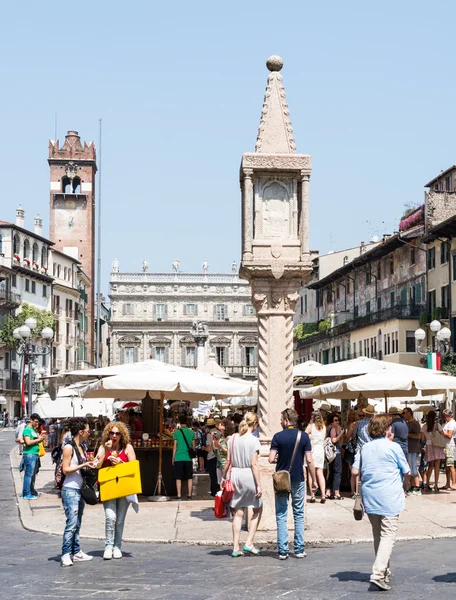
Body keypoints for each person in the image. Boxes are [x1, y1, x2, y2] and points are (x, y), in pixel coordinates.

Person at [352, 414, 410, 591]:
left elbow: (354, 472)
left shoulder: (364, 448)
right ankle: (378, 574)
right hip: (389, 496)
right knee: (388, 535)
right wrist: (406, 484)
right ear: (386, 429)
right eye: (390, 427)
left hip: (370, 497)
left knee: (378, 535)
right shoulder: (393, 447)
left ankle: (385, 572)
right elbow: (407, 471)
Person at [270, 408, 316, 560]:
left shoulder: (277, 437)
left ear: (286, 420)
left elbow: (271, 459)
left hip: (282, 478)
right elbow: (309, 460)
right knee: (298, 513)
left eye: (281, 419)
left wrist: (279, 458)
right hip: (298, 478)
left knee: (281, 514)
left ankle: (283, 551)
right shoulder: (303, 437)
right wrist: (314, 479)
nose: (280, 422)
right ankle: (299, 549)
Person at [222, 412, 262, 557]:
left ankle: (235, 547)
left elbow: (227, 461)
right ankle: (249, 542)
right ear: (255, 424)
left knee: (238, 512)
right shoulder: (254, 440)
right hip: (249, 476)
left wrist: (223, 478)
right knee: (257, 508)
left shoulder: (232, 438)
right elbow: (254, 464)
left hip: (235, 476)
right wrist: (259, 484)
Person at [95, 421, 136, 560]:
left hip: (124, 487)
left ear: (122, 435)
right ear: (107, 433)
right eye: (111, 433)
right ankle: (108, 545)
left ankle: (117, 546)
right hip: (108, 486)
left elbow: (133, 467)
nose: (114, 436)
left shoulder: (127, 447)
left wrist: (121, 463)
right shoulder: (103, 447)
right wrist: (106, 451)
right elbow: (97, 465)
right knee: (110, 517)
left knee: (119, 519)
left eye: (117, 433)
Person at [60, 417, 96, 567]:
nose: (89, 433)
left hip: (80, 489)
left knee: (78, 523)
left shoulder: (82, 446)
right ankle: (65, 554)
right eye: (88, 430)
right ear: (81, 432)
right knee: (71, 523)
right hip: (70, 490)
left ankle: (76, 552)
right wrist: (82, 466)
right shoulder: (69, 448)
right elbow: (65, 469)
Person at [21, 413, 46, 500]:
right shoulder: (27, 430)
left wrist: (40, 438)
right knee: (29, 474)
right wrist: (39, 439)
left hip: (35, 454)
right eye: (35, 422)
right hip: (30, 454)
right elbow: (28, 442)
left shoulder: (33, 430)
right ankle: (26, 493)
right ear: (31, 420)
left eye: (38, 422)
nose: (37, 424)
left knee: (33, 474)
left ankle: (31, 490)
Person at [421, 410, 446, 492]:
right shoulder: (437, 425)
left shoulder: (424, 426)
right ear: (435, 417)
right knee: (437, 466)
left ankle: (427, 483)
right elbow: (443, 434)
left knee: (430, 465)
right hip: (437, 446)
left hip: (429, 446)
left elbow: (422, 438)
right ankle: (436, 485)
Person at [172, 415, 195, 500]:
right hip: (188, 458)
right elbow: (193, 446)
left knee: (178, 477)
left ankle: (179, 495)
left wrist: (173, 457)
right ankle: (189, 495)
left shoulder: (176, 432)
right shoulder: (191, 432)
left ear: (180, 422)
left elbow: (175, 446)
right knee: (189, 477)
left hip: (178, 457)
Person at [305, 411, 326, 503]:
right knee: (320, 473)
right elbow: (324, 438)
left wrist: (310, 436)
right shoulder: (324, 427)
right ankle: (323, 495)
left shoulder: (311, 426)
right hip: (320, 451)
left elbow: (304, 436)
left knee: (310, 473)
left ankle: (313, 495)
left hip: (312, 450)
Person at [402, 407, 423, 495]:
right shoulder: (407, 423)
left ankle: (417, 487)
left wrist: (407, 435)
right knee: (410, 468)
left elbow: (418, 436)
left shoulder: (415, 424)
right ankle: (412, 486)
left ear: (409, 413)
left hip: (413, 449)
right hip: (409, 449)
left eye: (404, 413)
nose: (403, 415)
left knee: (413, 469)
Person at [326, 412, 344, 500]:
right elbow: (333, 440)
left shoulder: (329, 429)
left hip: (331, 454)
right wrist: (341, 433)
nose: (337, 422)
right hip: (335, 453)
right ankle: (336, 492)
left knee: (332, 473)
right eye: (335, 420)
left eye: (338, 420)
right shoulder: (333, 429)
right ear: (331, 422)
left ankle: (328, 491)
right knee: (337, 472)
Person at [214, 418, 235, 484]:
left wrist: (220, 447)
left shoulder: (228, 438)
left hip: (225, 464)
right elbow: (215, 450)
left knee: (226, 483)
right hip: (219, 463)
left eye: (222, 424)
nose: (220, 425)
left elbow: (230, 452)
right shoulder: (221, 437)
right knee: (220, 483)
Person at [203, 418, 219, 496]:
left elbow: (209, 449)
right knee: (218, 475)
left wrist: (203, 448)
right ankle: (219, 490)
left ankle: (214, 491)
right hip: (219, 456)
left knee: (213, 475)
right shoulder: (219, 433)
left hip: (211, 457)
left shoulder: (210, 435)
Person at [441, 409, 456, 490]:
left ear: (447, 416)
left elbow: (449, 435)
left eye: (444, 416)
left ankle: (454, 484)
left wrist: (442, 432)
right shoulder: (449, 423)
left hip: (450, 446)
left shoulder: (452, 424)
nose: (444, 418)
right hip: (446, 445)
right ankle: (448, 483)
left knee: (451, 465)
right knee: (447, 466)